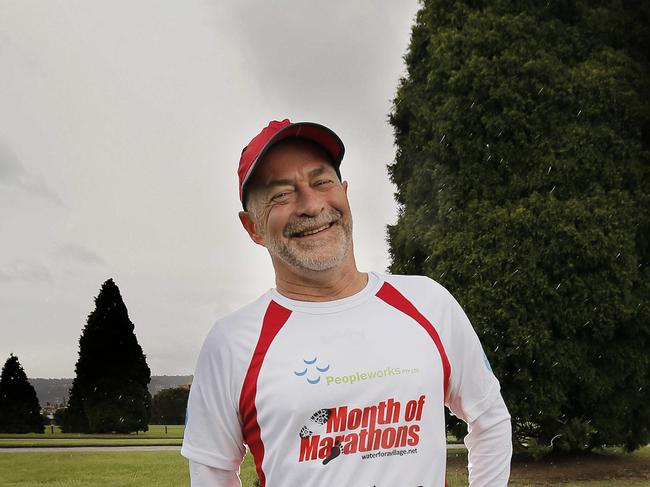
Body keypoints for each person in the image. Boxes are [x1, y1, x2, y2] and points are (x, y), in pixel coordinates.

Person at [181, 119, 512, 486]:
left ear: (345, 192)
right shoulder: (230, 344)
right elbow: (212, 473)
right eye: (281, 195)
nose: (311, 204)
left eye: (322, 181)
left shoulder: (428, 302)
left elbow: (490, 418)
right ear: (253, 227)